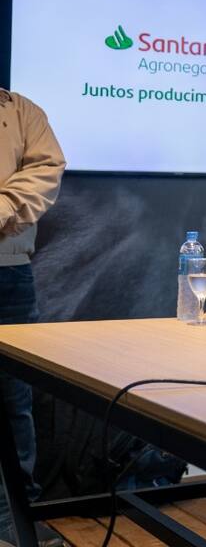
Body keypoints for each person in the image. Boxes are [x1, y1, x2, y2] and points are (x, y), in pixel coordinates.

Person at [0, 88, 65, 542]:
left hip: (7, 273)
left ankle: (13, 521)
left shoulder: (19, 110)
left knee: (11, 401)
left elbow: (46, 169)